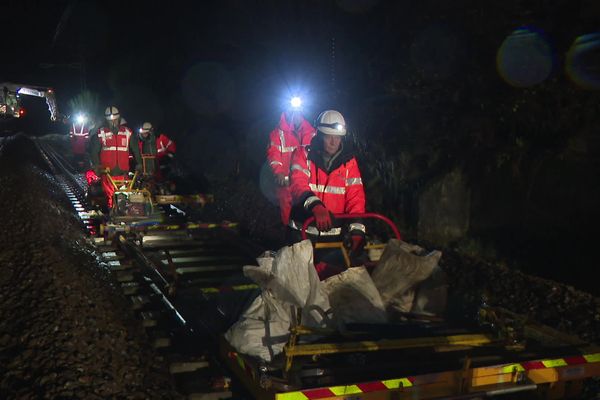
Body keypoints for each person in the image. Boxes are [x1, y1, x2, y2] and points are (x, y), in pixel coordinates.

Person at [289, 110, 366, 272]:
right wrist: (316, 206)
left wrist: (357, 230)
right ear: (319, 135)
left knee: (330, 283)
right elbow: (298, 184)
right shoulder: (303, 154)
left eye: (337, 137)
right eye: (328, 136)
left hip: (334, 238)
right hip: (302, 234)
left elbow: (356, 198)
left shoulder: (349, 163)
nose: (333, 142)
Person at [266, 97, 315, 226]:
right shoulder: (277, 134)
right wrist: (279, 173)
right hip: (286, 184)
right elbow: (274, 155)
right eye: (291, 110)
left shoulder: (312, 133)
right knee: (287, 217)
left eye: (298, 110)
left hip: (307, 183)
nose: (295, 114)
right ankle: (287, 238)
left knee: (310, 213)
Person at [89, 106, 142, 208]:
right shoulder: (101, 134)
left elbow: (135, 149)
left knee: (124, 195)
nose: (113, 122)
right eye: (110, 120)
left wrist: (139, 163)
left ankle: (122, 213)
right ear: (106, 120)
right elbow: (94, 152)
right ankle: (112, 213)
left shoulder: (127, 133)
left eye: (115, 120)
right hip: (107, 173)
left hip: (123, 173)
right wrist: (97, 167)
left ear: (119, 119)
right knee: (110, 196)